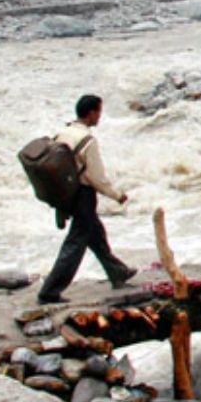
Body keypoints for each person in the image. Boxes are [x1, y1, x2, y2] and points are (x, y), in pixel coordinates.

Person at [38, 95, 137, 304]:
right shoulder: (87, 140)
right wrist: (117, 195)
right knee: (76, 243)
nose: (100, 116)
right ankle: (50, 291)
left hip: (67, 193)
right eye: (99, 112)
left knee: (95, 233)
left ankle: (117, 272)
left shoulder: (63, 133)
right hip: (83, 194)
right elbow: (96, 177)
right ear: (91, 113)